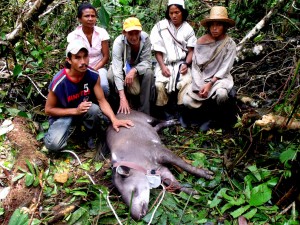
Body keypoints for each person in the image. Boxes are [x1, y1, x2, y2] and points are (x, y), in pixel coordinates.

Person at [44, 40, 133, 152]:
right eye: (77, 58)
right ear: (69, 60)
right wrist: (75, 111)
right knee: (53, 145)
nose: (83, 62)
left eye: (85, 56)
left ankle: (88, 135)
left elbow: (102, 101)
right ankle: (59, 133)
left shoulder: (93, 75)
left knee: (94, 110)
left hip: (83, 111)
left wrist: (114, 119)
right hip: (63, 115)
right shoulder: (59, 81)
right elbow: (48, 110)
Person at [182, 6, 237, 130]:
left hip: (219, 79)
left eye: (218, 25)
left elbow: (225, 68)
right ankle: (203, 118)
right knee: (187, 101)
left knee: (221, 94)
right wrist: (199, 84)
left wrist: (210, 83)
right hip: (202, 79)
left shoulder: (230, 44)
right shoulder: (201, 42)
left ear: (224, 26)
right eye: (212, 25)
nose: (215, 28)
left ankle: (219, 120)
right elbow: (195, 67)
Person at [150, 0, 196, 119]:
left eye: (177, 12)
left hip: (182, 63)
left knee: (186, 82)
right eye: (171, 13)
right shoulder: (160, 27)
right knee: (159, 84)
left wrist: (186, 63)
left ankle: (181, 111)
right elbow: (157, 50)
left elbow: (191, 50)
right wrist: (163, 67)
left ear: (182, 12)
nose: (174, 16)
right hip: (164, 63)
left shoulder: (188, 29)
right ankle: (163, 112)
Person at [107, 17, 154, 115]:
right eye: (130, 33)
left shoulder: (145, 39)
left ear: (140, 31)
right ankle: (118, 107)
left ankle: (145, 111)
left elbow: (147, 62)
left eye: (136, 33)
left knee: (149, 73)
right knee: (111, 75)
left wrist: (134, 70)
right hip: (123, 69)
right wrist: (122, 97)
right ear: (124, 33)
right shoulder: (118, 43)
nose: (134, 37)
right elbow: (117, 69)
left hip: (138, 70)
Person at [67, 2, 110, 97]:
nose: (90, 19)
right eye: (87, 16)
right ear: (79, 19)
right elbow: (72, 58)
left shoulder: (101, 33)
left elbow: (106, 57)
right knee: (82, 92)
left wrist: (93, 70)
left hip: (99, 68)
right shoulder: (73, 36)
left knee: (103, 87)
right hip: (80, 69)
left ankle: (105, 106)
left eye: (93, 16)